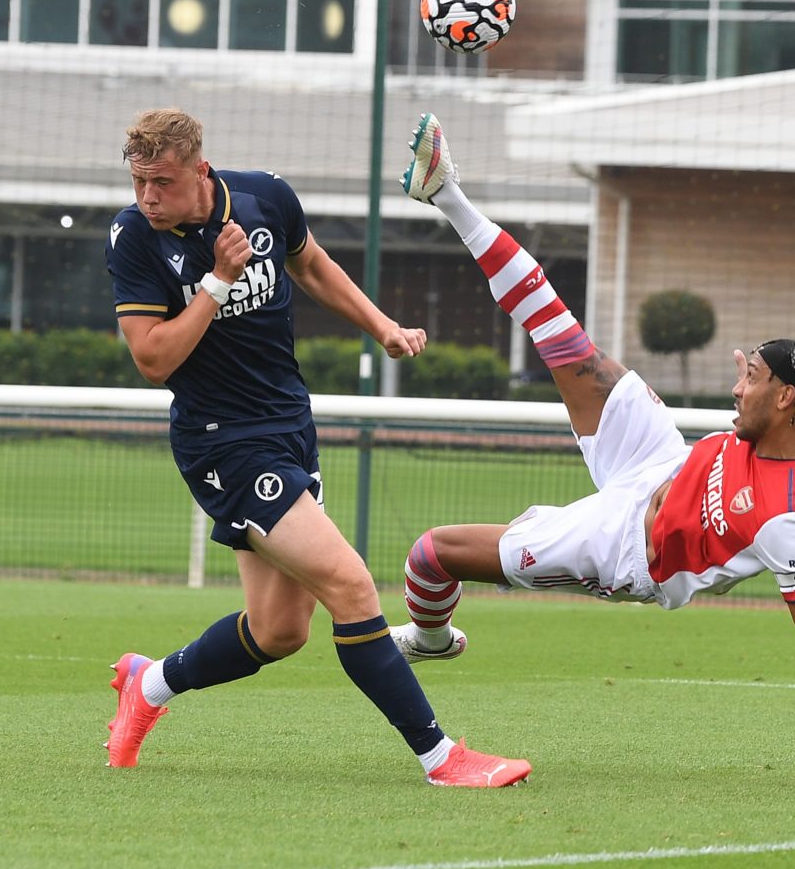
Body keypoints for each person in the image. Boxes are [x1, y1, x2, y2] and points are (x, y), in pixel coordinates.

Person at [390, 112, 795, 794]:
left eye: (749, 379)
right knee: (562, 335)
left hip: (629, 550)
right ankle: (447, 193)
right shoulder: (793, 423)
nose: (735, 389)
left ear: (785, 399)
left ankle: (430, 640)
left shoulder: (789, 524)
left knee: (432, 553)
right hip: (660, 464)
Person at [102, 108, 531, 787]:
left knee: (278, 631)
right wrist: (215, 283)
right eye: (138, 182)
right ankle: (441, 757)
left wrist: (381, 325)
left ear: (200, 171)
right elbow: (153, 359)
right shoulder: (134, 241)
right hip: (223, 444)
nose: (147, 196)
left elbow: (313, 266)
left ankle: (148, 685)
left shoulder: (266, 197)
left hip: (288, 427)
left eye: (161, 181)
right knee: (350, 582)